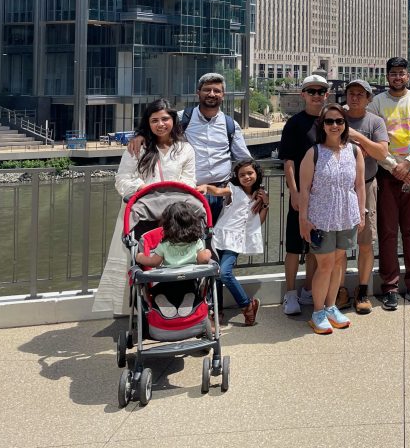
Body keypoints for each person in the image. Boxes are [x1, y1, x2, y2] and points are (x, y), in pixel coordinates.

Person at [94, 99, 197, 314]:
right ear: (147, 123)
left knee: (177, 260)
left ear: (173, 120)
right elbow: (122, 180)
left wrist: (170, 203)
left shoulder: (185, 149)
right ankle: (146, 308)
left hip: (175, 217)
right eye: (155, 120)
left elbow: (189, 183)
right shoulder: (138, 147)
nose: (161, 124)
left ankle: (180, 302)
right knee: (142, 259)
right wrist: (146, 190)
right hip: (141, 214)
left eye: (165, 119)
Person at [126, 73, 254, 225]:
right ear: (198, 93)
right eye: (207, 90)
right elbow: (159, 127)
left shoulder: (230, 125)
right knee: (192, 241)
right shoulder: (182, 118)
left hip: (222, 193)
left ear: (223, 95)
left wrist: (257, 189)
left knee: (222, 242)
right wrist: (140, 135)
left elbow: (245, 161)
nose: (212, 94)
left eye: (217, 91)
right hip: (191, 194)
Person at [368, 56, 410, 310]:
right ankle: (390, 287)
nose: (397, 77)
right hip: (386, 173)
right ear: (387, 77)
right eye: (393, 73)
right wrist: (393, 166)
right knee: (387, 232)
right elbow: (374, 140)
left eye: (402, 73)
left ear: (408, 76)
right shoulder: (377, 103)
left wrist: (408, 163)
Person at [298, 104, 366, 334]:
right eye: (329, 121)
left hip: (346, 215)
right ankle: (318, 311)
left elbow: (359, 186)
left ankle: (331, 306)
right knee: (325, 264)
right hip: (320, 217)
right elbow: (304, 189)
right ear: (322, 125)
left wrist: (362, 212)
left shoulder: (354, 151)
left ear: (345, 124)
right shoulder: (314, 152)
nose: (334, 125)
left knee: (338, 262)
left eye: (339, 121)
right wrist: (303, 219)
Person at [279, 74, 329, 316]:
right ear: (303, 95)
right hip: (302, 195)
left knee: (315, 246)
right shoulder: (295, 123)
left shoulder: (331, 121)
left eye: (321, 91)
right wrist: (294, 192)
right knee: (293, 246)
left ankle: (309, 289)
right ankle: (290, 293)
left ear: (326, 95)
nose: (317, 95)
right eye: (312, 91)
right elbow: (288, 161)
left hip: (323, 196)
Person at [342, 79, 390, 314]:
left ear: (369, 98)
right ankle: (339, 288)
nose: (355, 97)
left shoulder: (375, 121)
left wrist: (357, 137)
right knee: (338, 244)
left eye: (361, 94)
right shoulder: (334, 117)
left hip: (368, 186)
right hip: (338, 190)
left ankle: (362, 290)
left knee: (366, 242)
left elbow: (381, 152)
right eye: (351, 93)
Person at [212, 159, 268, 326]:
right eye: (242, 174)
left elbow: (258, 221)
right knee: (216, 275)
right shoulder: (233, 189)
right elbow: (218, 191)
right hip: (220, 235)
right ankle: (217, 310)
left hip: (235, 240)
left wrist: (265, 203)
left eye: (250, 173)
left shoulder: (259, 195)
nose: (246, 177)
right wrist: (207, 188)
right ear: (236, 176)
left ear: (257, 174)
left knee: (225, 273)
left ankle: (246, 304)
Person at [135, 200, 212, 268]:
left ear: (167, 225)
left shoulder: (164, 244)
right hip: (190, 281)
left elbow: (154, 262)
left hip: (169, 281)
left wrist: (140, 257)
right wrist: (207, 253)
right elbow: (203, 260)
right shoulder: (196, 242)